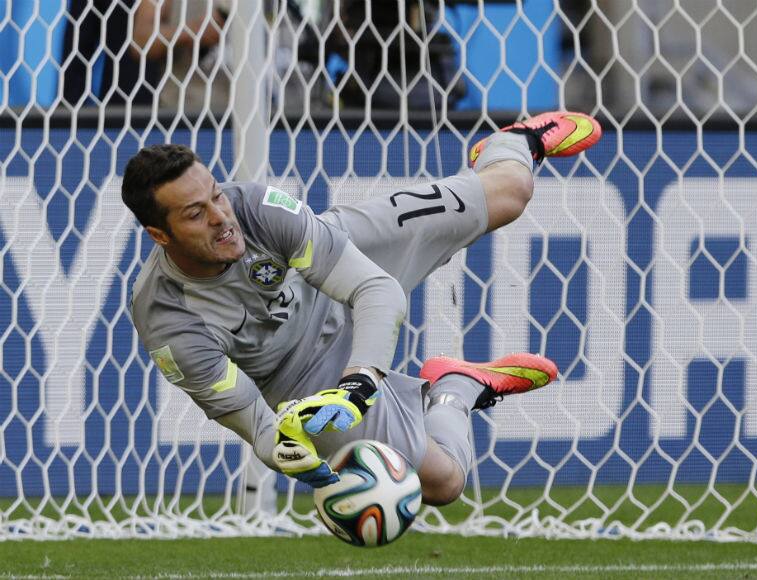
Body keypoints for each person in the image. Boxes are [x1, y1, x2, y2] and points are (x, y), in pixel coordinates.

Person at [121, 111, 602, 504]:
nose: (221, 217)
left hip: (338, 266)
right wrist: (289, 453)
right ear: (160, 235)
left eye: (216, 196)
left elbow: (376, 288)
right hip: (301, 379)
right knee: (443, 484)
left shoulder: (254, 207)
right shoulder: (167, 320)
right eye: (196, 214)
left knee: (510, 192)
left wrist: (361, 381)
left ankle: (515, 141)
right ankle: (456, 388)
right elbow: (254, 422)